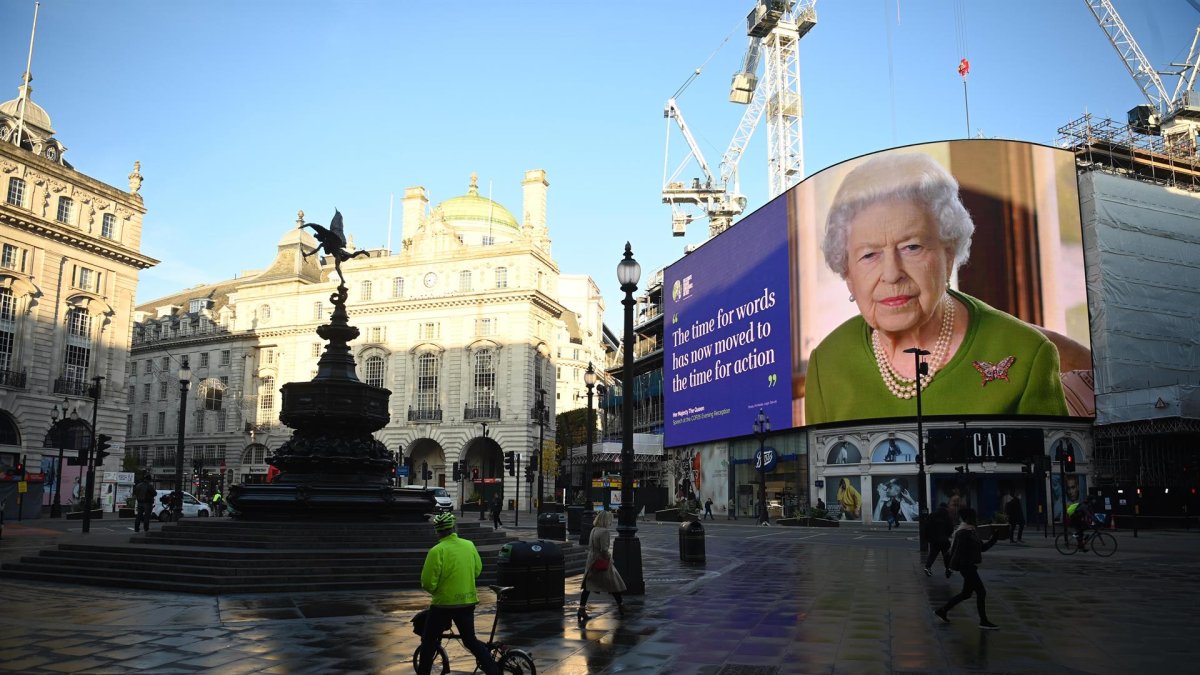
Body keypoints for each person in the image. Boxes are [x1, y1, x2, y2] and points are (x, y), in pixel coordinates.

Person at [805, 152, 1070, 425]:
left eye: (912, 247)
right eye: (869, 255)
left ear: (949, 253)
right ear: (848, 273)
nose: (892, 274)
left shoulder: (1028, 354)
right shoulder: (827, 365)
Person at [415, 512, 499, 675]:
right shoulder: (469, 545)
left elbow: (427, 582)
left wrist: (438, 591)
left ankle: (423, 672)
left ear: (437, 531)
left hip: (443, 604)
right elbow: (477, 570)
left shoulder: (437, 551)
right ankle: (493, 671)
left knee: (429, 640)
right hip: (467, 601)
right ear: (454, 528)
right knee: (470, 640)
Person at [935, 507, 1000, 630]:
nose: (975, 518)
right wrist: (950, 569)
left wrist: (994, 539)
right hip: (966, 566)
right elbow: (956, 552)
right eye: (973, 516)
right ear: (968, 518)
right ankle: (983, 621)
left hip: (970, 566)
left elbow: (982, 548)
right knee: (981, 592)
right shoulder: (963, 532)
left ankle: (942, 610)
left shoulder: (971, 531)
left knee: (966, 594)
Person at [577, 510, 626, 622]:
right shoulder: (604, 532)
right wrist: (609, 558)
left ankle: (581, 609)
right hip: (601, 561)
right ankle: (621, 606)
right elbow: (604, 549)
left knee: (588, 585)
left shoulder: (594, 529)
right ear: (606, 520)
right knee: (614, 583)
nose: (611, 522)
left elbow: (590, 545)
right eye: (610, 519)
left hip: (591, 560)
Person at [924, 502, 954, 578]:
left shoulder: (932, 515)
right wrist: (946, 535)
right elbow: (951, 528)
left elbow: (926, 527)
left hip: (934, 540)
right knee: (946, 555)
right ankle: (948, 570)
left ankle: (927, 567)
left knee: (932, 554)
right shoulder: (947, 517)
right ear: (946, 508)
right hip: (944, 540)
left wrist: (928, 538)